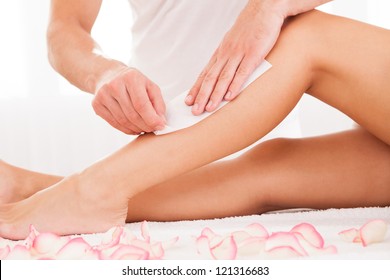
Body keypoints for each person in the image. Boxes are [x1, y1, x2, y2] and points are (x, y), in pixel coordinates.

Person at [1, 9, 389, 240]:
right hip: (192, 106)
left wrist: (269, 6)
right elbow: (64, 30)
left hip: (230, 90)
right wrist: (102, 72)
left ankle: (93, 192)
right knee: (269, 167)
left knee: (308, 35)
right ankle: (37, 188)